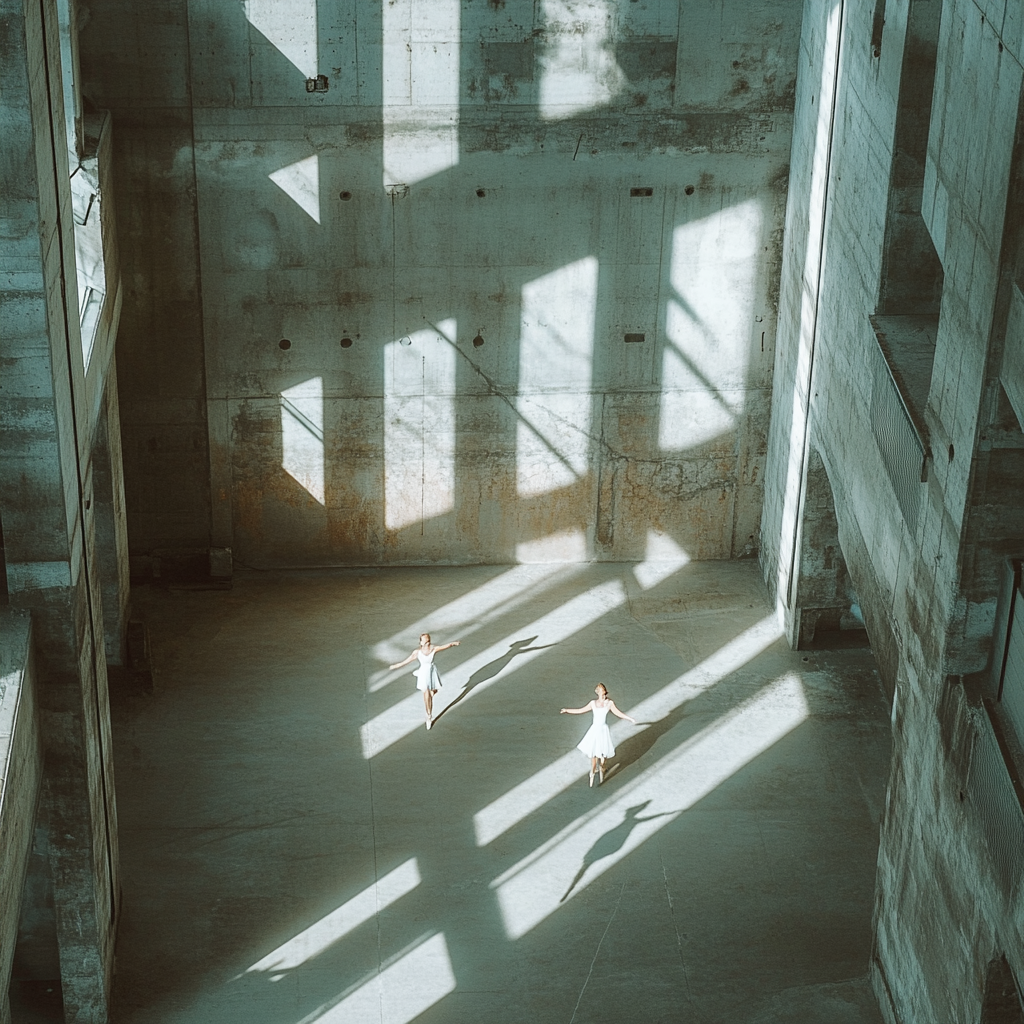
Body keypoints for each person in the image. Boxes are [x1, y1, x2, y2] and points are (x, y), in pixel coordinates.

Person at [561, 683, 636, 786]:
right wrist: (567, 710)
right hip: (595, 730)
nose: (602, 692)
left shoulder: (609, 703)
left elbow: (618, 713)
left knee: (603, 752)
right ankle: (593, 771)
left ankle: (601, 768)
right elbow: (580, 710)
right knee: (594, 753)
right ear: (597, 692)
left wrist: (629, 718)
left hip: (603, 730)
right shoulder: (593, 703)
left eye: (602, 690)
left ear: (604, 691)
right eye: (600, 690)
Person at [390, 633, 460, 730]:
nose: (428, 643)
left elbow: (444, 646)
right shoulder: (417, 653)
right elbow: (406, 662)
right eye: (425, 642)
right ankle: (429, 716)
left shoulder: (433, 649)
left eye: (429, 641)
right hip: (423, 673)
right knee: (426, 692)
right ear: (421, 643)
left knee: (433, 691)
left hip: (431, 672)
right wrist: (396, 666)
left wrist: (452, 643)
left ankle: (431, 694)